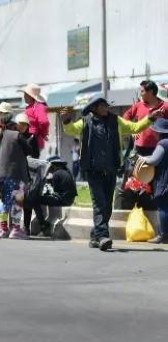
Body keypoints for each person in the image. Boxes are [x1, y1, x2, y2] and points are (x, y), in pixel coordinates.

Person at [62, 96, 159, 251]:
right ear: (94, 108)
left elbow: (135, 128)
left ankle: (95, 236)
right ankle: (102, 236)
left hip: (111, 169)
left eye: (107, 106)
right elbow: (71, 130)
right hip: (93, 170)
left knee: (107, 205)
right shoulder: (86, 121)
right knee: (99, 203)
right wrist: (66, 120)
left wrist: (150, 118)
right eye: (103, 106)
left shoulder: (116, 121)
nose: (106, 108)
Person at [0, 112, 30, 239]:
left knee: (4, 201)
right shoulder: (16, 135)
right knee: (17, 200)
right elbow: (29, 150)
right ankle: (16, 229)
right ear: (13, 124)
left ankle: (3, 229)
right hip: (15, 174)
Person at [15, 113, 49, 235]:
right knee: (28, 200)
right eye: (21, 124)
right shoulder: (15, 136)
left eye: (25, 125)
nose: (23, 127)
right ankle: (40, 225)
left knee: (30, 199)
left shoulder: (31, 138)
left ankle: (27, 227)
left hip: (31, 174)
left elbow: (34, 156)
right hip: (19, 173)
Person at [136, 118, 168, 244]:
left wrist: (139, 158)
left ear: (159, 132)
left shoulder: (163, 143)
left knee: (163, 207)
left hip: (164, 181)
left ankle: (163, 235)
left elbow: (153, 161)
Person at [122, 80, 168, 156]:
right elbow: (126, 117)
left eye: (142, 91)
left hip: (160, 147)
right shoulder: (138, 106)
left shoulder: (165, 107)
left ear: (150, 92)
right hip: (141, 148)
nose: (141, 94)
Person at [18, 83, 50, 153]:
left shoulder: (38, 106)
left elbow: (44, 121)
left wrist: (42, 133)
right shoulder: (31, 106)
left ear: (31, 96)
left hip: (33, 140)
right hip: (28, 139)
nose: (24, 96)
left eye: (25, 94)